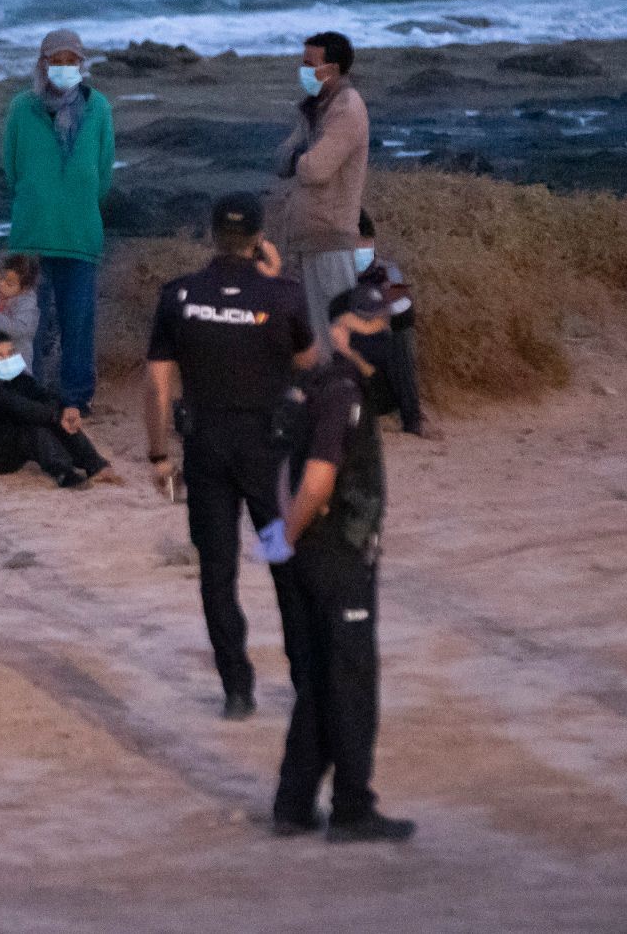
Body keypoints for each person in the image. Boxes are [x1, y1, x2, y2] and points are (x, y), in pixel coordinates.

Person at [145, 192, 318, 719]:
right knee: (285, 566)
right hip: (269, 453)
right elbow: (310, 367)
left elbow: (157, 385)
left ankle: (237, 690)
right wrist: (272, 281)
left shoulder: (179, 295)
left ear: (210, 233)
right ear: (260, 237)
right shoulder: (286, 295)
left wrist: (158, 456)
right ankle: (307, 682)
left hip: (206, 452)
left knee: (217, 572)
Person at [260, 288, 414, 843]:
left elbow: (282, 472)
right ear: (339, 330)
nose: (383, 332)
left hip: (307, 552)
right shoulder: (343, 390)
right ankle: (352, 807)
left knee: (320, 680)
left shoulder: (309, 385)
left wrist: (282, 540)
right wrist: (293, 536)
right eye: (370, 322)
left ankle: (294, 804)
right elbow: (318, 476)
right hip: (336, 555)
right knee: (350, 683)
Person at [1, 28, 116, 411]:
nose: (64, 68)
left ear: (82, 65)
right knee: (30, 321)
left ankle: (76, 398)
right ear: (42, 63)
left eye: (72, 61)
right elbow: (11, 168)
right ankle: (31, 392)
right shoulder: (22, 107)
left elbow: (103, 172)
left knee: (78, 322)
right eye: (57, 60)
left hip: (79, 233)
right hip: (32, 233)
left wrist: (76, 200)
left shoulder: (98, 107)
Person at [269, 31, 370, 354]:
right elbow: (281, 160)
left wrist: (301, 157)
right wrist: (302, 155)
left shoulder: (347, 107)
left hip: (332, 239)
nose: (303, 70)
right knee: (319, 340)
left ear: (333, 68)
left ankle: (347, 401)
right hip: (311, 240)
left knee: (337, 340)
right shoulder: (316, 109)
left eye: (309, 64)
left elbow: (315, 169)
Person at [0, 331, 115, 489]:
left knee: (60, 418)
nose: (7, 360)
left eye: (10, 353)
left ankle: (95, 465)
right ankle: (63, 473)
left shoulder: (19, 379)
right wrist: (57, 415)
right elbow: (19, 408)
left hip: (7, 440)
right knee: (36, 430)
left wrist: (66, 409)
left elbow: (43, 395)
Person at [328, 210, 423, 435]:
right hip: (343, 378)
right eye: (356, 249)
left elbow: (404, 314)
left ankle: (413, 419)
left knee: (401, 337)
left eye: (367, 248)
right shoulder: (329, 274)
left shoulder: (386, 271)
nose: (363, 255)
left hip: (379, 381)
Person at [0, 253, 41, 369]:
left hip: (17, 360)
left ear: (24, 288)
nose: (1, 285)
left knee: (17, 385)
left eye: (9, 284)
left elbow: (18, 329)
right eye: (0, 278)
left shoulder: (27, 304)